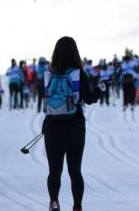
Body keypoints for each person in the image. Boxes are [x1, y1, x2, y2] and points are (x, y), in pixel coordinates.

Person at [42, 37, 104, 211]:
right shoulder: (78, 73)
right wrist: (102, 88)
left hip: (52, 125)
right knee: (75, 170)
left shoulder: (48, 74)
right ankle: (77, 206)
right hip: (75, 126)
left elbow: (47, 97)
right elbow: (90, 99)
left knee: (54, 170)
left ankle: (54, 201)